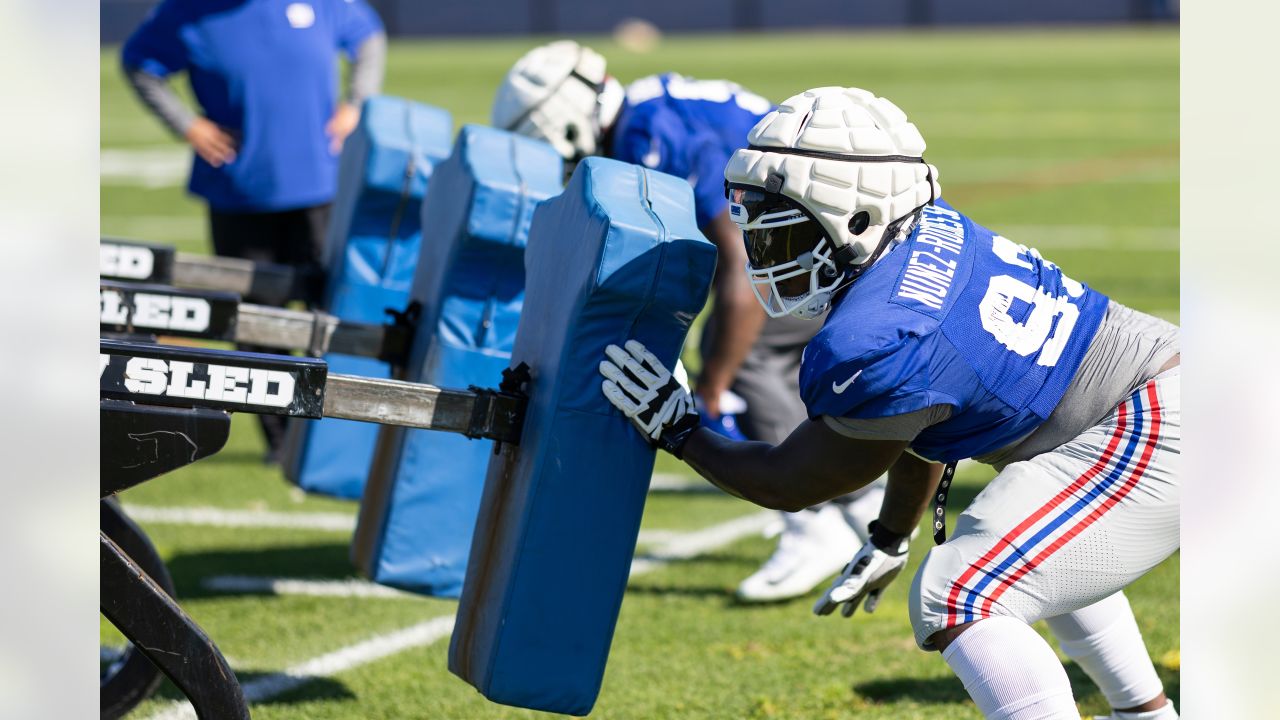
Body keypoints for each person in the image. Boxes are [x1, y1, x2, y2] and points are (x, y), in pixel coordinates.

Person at [598, 86, 1179, 720]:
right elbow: (921, 421)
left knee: (961, 595)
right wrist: (892, 534)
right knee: (1030, 549)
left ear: (854, 218)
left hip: (1156, 425)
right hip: (1161, 395)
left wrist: (678, 429)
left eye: (783, 234)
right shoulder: (926, 229)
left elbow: (792, 480)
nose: (765, 259)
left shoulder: (873, 336)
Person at [492, 42, 888, 602]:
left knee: (746, 356)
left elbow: (743, 263)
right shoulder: (648, 114)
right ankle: (853, 497)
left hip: (818, 243)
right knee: (750, 350)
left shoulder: (649, 132)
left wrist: (712, 387)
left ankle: (815, 516)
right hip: (816, 233)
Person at [121, 0, 387, 459]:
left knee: (335, 309)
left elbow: (368, 35)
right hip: (238, 190)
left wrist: (357, 102)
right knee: (258, 322)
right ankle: (281, 442)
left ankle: (342, 441)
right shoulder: (187, 11)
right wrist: (189, 125)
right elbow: (139, 64)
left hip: (321, 184)